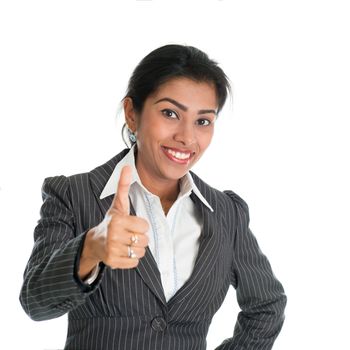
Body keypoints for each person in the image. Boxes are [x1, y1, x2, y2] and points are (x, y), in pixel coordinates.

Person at [20, 44, 287, 350]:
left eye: (203, 121)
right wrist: (91, 249)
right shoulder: (73, 194)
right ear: (132, 114)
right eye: (170, 113)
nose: (187, 137)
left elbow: (267, 306)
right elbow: (34, 301)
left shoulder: (226, 213)